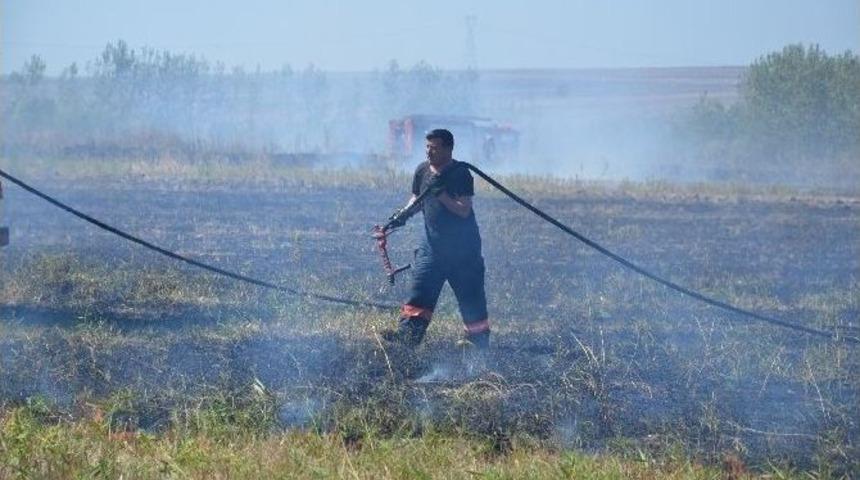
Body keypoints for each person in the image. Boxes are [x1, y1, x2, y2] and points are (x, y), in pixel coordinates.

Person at [382, 129, 490, 350]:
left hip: (463, 252)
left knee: (471, 299)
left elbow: (463, 210)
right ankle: (408, 337)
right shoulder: (422, 171)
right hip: (432, 248)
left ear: (449, 149)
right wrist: (402, 215)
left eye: (435, 148)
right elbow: (418, 199)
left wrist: (442, 196)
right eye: (427, 147)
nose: (429, 152)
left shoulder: (460, 174)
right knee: (420, 292)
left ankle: (477, 344)